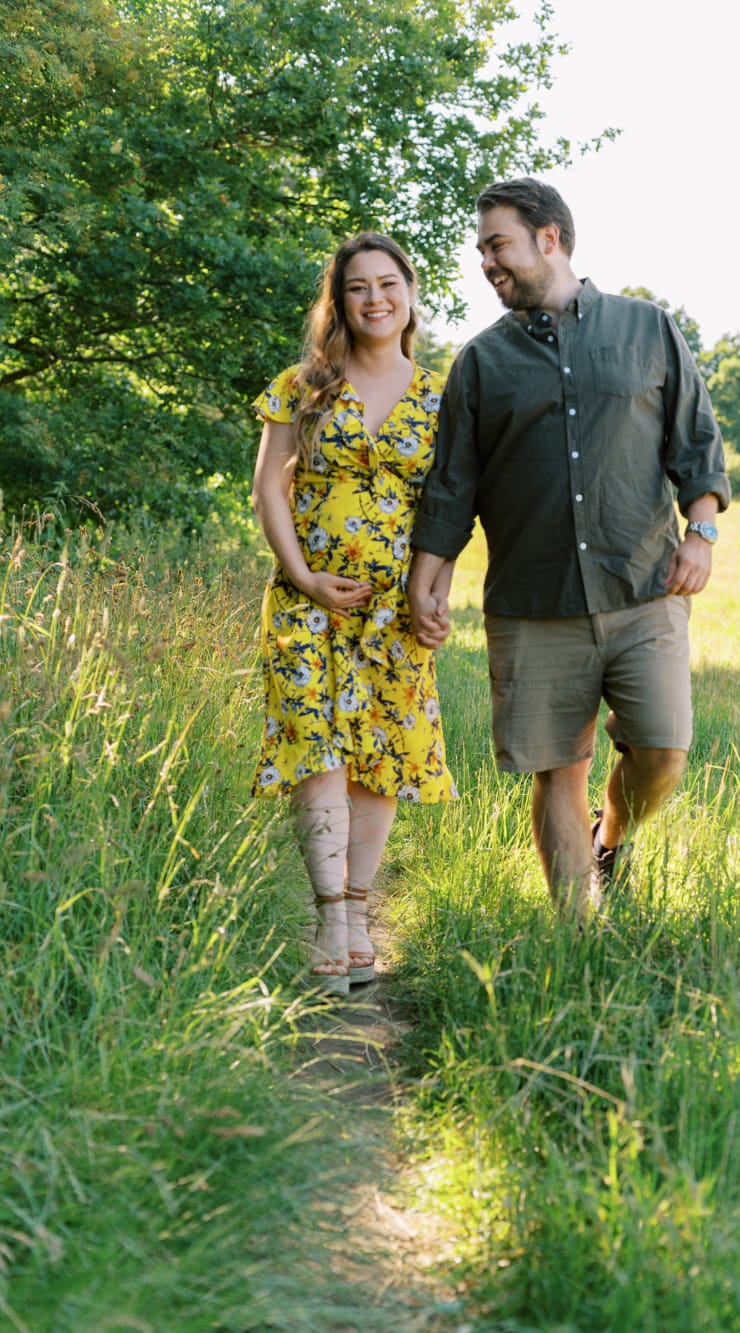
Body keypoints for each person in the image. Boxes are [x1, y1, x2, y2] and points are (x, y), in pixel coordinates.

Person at [408, 178, 730, 918]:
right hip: (533, 601)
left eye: (498, 245)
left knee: (662, 753)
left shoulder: (647, 328)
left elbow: (696, 440)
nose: (487, 262)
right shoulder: (481, 363)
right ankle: (576, 936)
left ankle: (610, 838)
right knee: (558, 769)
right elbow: (452, 487)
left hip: (643, 586)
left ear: (548, 238)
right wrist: (429, 581)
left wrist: (702, 530)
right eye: (482, 248)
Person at [251, 232, 457, 995]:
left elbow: (452, 505)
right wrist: (302, 576)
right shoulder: (304, 384)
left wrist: (435, 593)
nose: (375, 299)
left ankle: (362, 912)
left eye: (387, 283)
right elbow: (270, 488)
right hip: (307, 604)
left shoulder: (444, 396)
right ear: (337, 302)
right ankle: (330, 917)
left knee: (379, 762)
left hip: (394, 611)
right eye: (357, 287)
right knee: (317, 754)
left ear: (409, 291)